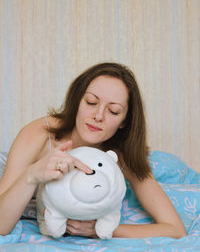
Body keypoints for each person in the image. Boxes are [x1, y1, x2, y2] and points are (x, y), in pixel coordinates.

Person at [0, 62, 186, 238]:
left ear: (124, 122)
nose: (98, 116)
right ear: (78, 101)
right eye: (91, 102)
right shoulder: (40, 134)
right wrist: (32, 175)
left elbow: (175, 229)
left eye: (113, 111)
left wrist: (98, 230)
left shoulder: (121, 155)